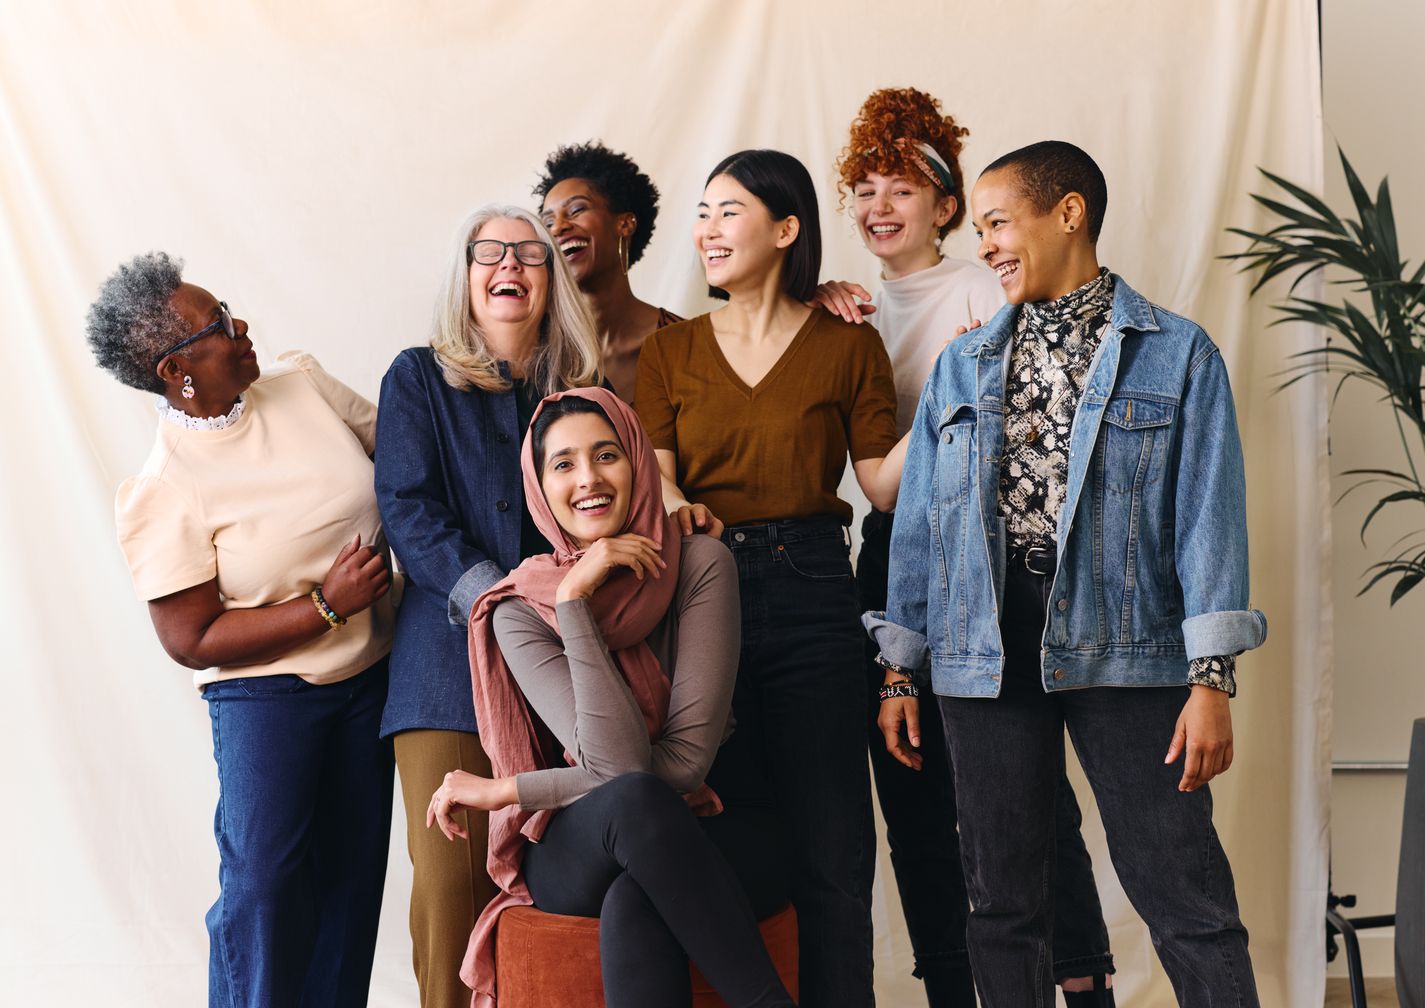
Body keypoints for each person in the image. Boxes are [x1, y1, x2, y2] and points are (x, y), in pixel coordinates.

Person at [867, 140, 1266, 1007]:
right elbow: (922, 527)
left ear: (1068, 213)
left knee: (1183, 893)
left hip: (1125, 639)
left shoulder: (1177, 354)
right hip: (983, 645)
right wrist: (900, 667)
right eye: (979, 231)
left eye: (997, 223)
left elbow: (1208, 519)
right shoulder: (961, 364)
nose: (986, 246)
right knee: (1001, 903)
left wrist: (1210, 679)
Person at [818, 88, 1116, 1006]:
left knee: (1026, 797)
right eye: (864, 188)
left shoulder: (989, 284)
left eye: (902, 189)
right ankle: (951, 988)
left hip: (987, 552)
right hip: (892, 550)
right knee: (910, 792)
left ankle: (1081, 984)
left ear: (946, 205)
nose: (879, 207)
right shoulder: (842, 309)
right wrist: (815, 309)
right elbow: (873, 479)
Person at [637, 148, 906, 1008]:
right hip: (701, 591)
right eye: (702, 213)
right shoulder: (669, 350)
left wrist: (953, 390)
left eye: (729, 212)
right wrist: (677, 503)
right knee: (728, 834)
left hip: (816, 590)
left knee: (832, 847)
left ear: (785, 230)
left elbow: (879, 484)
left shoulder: (847, 345)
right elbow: (654, 476)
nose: (707, 230)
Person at [89, 252, 396, 1007]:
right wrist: (325, 606)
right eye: (219, 325)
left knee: (350, 882)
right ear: (176, 370)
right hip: (267, 699)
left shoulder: (302, 385)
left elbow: (404, 456)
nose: (242, 327)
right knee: (265, 890)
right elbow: (190, 638)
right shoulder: (164, 488)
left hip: (372, 677)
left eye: (226, 310)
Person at [428, 387, 795, 1008]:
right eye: (563, 464)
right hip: (579, 839)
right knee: (632, 802)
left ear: (638, 462)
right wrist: (573, 600)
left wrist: (509, 790)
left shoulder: (700, 564)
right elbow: (622, 771)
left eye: (606, 455)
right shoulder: (520, 608)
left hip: (715, 816)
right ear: (539, 487)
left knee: (636, 896)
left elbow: (684, 766)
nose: (588, 479)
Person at [374, 206, 602, 1008]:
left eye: (530, 254)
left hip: (564, 669)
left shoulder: (584, 393)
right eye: (490, 252)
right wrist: (498, 598)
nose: (510, 265)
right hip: (443, 675)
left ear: (552, 279)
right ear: (466, 275)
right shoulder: (416, 378)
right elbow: (407, 510)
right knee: (450, 892)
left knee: (556, 896)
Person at [535, 141, 682, 403]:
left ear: (624, 224)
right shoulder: (536, 350)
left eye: (576, 210)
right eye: (547, 223)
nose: (557, 228)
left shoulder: (683, 341)